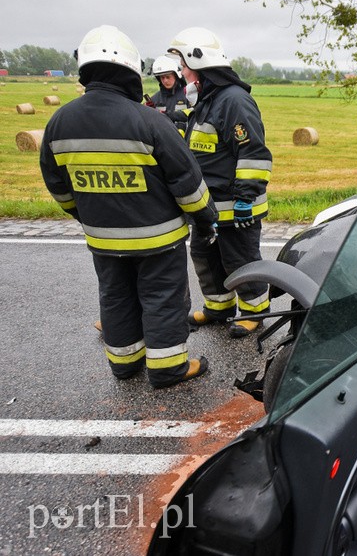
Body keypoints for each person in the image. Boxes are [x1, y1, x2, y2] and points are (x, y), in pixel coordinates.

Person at [40, 25, 218, 389]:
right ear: (130, 72)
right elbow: (187, 182)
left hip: (103, 240)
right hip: (158, 240)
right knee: (162, 298)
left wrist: (86, 213)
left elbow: (57, 185)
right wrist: (205, 219)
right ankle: (168, 369)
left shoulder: (59, 122)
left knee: (116, 296)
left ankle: (125, 364)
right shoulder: (149, 121)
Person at [167, 27, 273, 338]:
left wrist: (245, 199)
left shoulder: (234, 101)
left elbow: (253, 153)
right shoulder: (208, 99)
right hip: (209, 206)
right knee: (204, 256)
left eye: (184, 65)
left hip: (236, 205)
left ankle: (255, 310)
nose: (182, 72)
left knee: (239, 259)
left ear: (199, 64)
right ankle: (219, 307)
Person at [148, 55, 191, 133]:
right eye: (162, 78)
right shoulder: (154, 99)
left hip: (184, 142)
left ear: (176, 76)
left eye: (168, 77)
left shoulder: (189, 95)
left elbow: (194, 116)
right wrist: (147, 110)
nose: (165, 81)